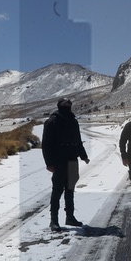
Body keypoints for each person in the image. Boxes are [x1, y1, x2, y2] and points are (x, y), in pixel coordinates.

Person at [42, 97, 89, 230]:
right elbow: (46, 145)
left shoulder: (73, 121)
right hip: (59, 161)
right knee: (57, 191)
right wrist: (49, 163)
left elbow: (78, 140)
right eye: (65, 104)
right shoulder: (52, 121)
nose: (67, 106)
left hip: (72, 159)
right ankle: (54, 221)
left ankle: (70, 217)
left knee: (70, 190)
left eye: (69, 104)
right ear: (59, 106)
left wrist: (83, 155)